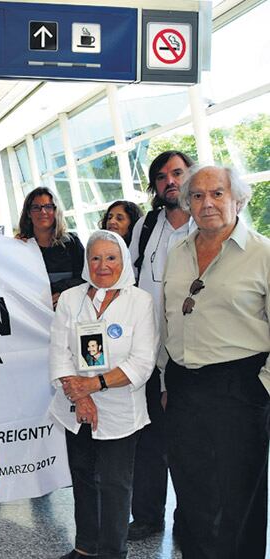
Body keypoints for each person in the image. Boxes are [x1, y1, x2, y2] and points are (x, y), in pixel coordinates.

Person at [161, 165, 270, 558]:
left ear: (237, 199)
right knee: (193, 495)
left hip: (240, 386)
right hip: (184, 387)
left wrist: (262, 387)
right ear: (187, 204)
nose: (207, 203)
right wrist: (165, 382)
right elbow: (168, 317)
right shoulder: (177, 252)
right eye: (197, 195)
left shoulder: (263, 254)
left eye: (217, 193)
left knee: (239, 498)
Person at [50, 229, 157, 559]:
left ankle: (113, 552)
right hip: (76, 406)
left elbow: (142, 361)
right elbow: (58, 350)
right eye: (95, 258)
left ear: (123, 260)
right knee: (83, 479)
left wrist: (93, 386)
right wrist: (80, 396)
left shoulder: (140, 301)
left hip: (120, 410)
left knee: (115, 486)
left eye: (111, 258)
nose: (102, 265)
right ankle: (86, 547)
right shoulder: (71, 298)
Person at [126, 150, 194, 542]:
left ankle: (189, 520)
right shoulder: (147, 225)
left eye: (177, 173)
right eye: (162, 176)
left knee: (185, 443)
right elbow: (131, 278)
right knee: (147, 440)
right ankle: (148, 516)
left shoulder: (205, 226)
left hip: (187, 354)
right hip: (147, 353)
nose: (170, 181)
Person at [17, 187, 85, 308]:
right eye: (36, 207)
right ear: (28, 213)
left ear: (56, 210)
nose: (43, 212)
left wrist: (62, 292)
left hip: (68, 310)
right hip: (33, 314)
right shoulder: (20, 247)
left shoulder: (72, 243)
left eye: (48, 206)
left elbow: (86, 278)